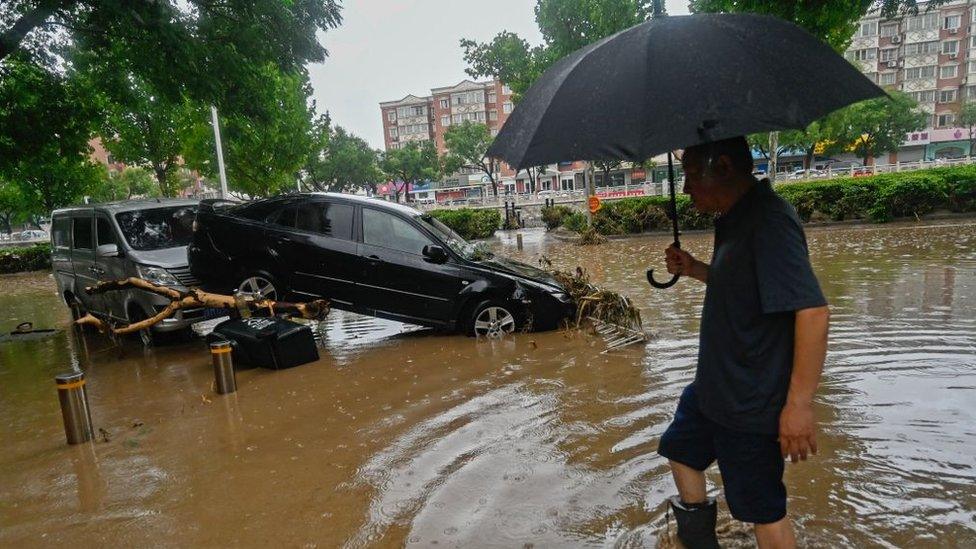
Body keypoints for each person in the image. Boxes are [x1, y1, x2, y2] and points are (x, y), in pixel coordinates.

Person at [658, 136, 830, 549]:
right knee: (680, 451)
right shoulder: (735, 217)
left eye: (689, 177)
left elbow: (813, 312)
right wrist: (698, 269)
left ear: (723, 168)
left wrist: (799, 405)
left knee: (761, 511)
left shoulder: (770, 221)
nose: (685, 190)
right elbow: (746, 285)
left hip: (750, 400)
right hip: (714, 388)